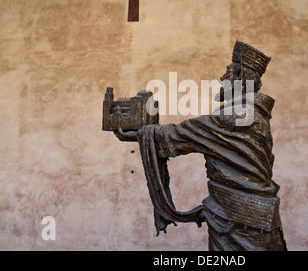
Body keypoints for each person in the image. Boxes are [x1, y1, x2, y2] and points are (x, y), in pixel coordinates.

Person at [115, 40, 287, 251]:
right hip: (251, 222)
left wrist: (140, 134)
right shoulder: (256, 116)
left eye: (228, 73)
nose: (222, 78)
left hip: (237, 227)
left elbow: (181, 134)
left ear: (241, 79)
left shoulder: (235, 117)